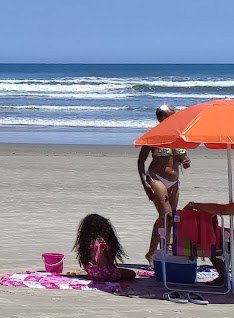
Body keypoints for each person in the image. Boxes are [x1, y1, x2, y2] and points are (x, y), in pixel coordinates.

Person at [139, 104, 190, 262]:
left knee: (171, 218)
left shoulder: (179, 136)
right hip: (156, 178)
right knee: (166, 215)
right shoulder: (153, 136)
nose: (175, 119)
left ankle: (161, 252)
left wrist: (186, 161)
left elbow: (183, 157)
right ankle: (154, 252)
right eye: (171, 116)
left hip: (174, 181)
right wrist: (145, 185)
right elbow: (140, 162)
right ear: (161, 119)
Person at [74, 214, 138, 282]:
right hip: (106, 274)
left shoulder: (87, 243)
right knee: (132, 273)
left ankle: (97, 276)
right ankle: (102, 277)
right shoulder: (103, 244)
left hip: (91, 271)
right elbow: (108, 262)